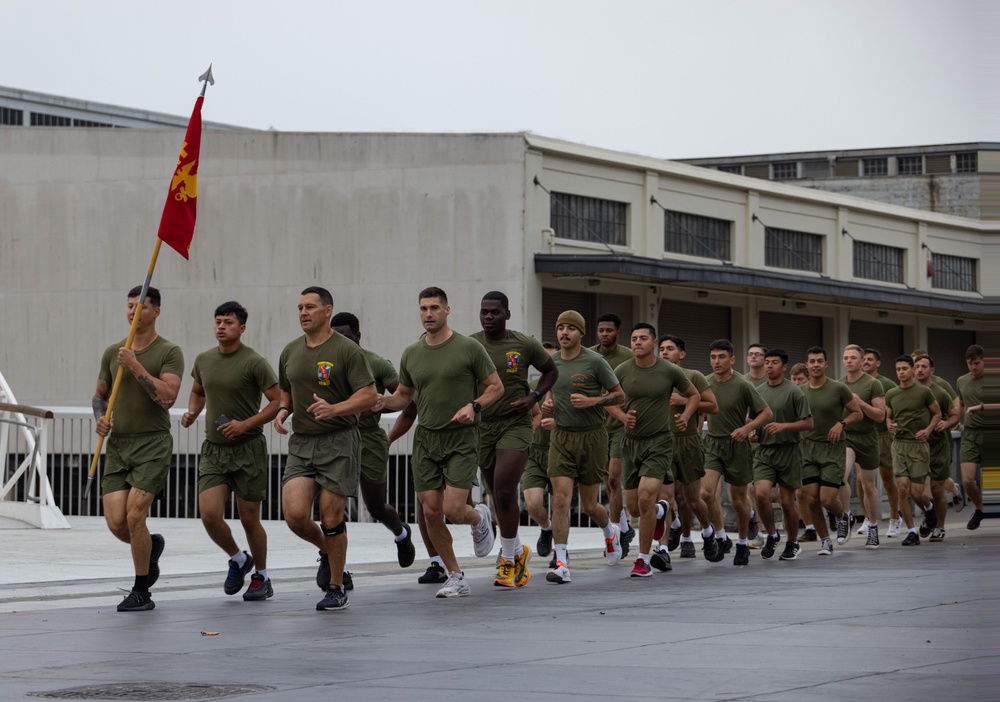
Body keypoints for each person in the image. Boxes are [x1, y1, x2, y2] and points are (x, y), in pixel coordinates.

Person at [379, 287, 503, 598]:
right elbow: (404, 398)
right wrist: (377, 403)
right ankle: (456, 576)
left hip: (461, 439)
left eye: (434, 307)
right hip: (426, 440)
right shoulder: (412, 352)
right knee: (431, 512)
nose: (428, 314)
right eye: (423, 308)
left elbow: (496, 387)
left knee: (454, 509)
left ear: (447, 310)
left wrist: (474, 406)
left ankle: (479, 518)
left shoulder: (469, 348)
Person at [274, 287, 377, 612]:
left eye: (310, 307)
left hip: (339, 440)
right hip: (302, 443)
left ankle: (335, 586)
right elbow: (286, 393)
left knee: (331, 515)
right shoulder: (290, 351)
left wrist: (336, 409)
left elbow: (369, 395)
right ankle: (329, 552)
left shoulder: (346, 350)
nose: (304, 313)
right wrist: (281, 412)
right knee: (294, 515)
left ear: (327, 310)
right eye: (300, 308)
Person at [181, 301, 280, 601]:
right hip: (214, 449)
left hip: (248, 449)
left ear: (242, 328)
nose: (221, 327)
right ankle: (238, 559)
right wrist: (192, 412)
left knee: (250, 519)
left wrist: (245, 424)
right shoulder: (204, 359)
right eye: (218, 322)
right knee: (209, 514)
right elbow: (198, 391)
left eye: (228, 322)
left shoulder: (254, 362)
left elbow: (276, 402)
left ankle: (261, 576)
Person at [93, 285, 183, 612]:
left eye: (140, 307)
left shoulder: (169, 352)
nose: (133, 312)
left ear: (156, 311)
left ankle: (141, 590)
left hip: (152, 444)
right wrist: (100, 418)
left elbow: (168, 397)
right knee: (118, 523)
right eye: (129, 306)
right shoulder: (112, 351)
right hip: (118, 446)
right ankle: (151, 549)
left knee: (135, 514)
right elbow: (99, 396)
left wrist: (135, 365)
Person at [470, 291, 558, 588]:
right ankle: (519, 550)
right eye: (484, 311)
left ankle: (508, 560)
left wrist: (534, 396)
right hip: (483, 426)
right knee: (496, 493)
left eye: (494, 312)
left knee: (506, 490)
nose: (488, 316)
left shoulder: (523, 343)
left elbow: (551, 370)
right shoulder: (470, 345)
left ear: (507, 314)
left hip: (515, 424)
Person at [606, 324, 699, 577]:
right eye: (634, 338)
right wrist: (622, 417)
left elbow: (694, 395)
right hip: (631, 443)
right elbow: (609, 400)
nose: (637, 342)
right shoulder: (622, 370)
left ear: (654, 342)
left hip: (659, 442)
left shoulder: (669, 370)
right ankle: (662, 510)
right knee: (635, 509)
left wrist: (686, 416)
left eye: (643, 338)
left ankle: (643, 559)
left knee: (647, 497)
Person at [541, 310, 625, 584]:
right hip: (562, 436)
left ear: (581, 333)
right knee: (561, 499)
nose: (564, 332)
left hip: (592, 437)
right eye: (560, 327)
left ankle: (610, 532)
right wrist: (548, 403)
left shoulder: (595, 361)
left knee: (589, 505)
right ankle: (562, 562)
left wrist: (592, 402)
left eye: (570, 328)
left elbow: (619, 395)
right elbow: (551, 392)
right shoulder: (550, 363)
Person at [330, 312, 416, 578]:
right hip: (335, 440)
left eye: (345, 337)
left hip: (369, 440)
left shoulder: (376, 363)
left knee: (376, 506)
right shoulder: (326, 363)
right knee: (332, 506)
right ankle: (336, 568)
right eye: (335, 338)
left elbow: (406, 403)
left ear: (357, 336)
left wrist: (387, 436)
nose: (340, 343)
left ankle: (401, 534)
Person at [702, 339, 773, 566]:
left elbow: (766, 413)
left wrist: (747, 428)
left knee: (738, 500)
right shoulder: (705, 383)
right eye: (713, 357)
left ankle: (742, 541)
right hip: (712, 443)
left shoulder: (742, 384)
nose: (716, 361)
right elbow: (697, 407)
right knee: (705, 493)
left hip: (737, 445)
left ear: (732, 359)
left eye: (721, 357)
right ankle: (721, 536)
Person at [657, 334, 720, 562]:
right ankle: (663, 550)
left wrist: (685, 403)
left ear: (681, 354)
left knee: (692, 499)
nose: (664, 352)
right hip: (661, 442)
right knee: (665, 499)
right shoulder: (655, 376)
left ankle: (707, 531)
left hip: (688, 442)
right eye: (662, 348)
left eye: (670, 349)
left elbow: (713, 406)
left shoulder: (694, 376)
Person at [798, 346, 862, 556]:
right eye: (812, 361)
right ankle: (825, 540)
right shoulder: (800, 391)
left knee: (826, 498)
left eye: (819, 361)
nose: (815, 365)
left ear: (826, 364)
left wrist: (841, 423)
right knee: (811, 499)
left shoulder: (838, 388)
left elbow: (857, 413)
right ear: (807, 365)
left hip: (833, 448)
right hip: (807, 449)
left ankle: (843, 517)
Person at [753, 349, 813, 560]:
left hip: (789, 451)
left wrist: (784, 426)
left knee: (787, 502)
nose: (769, 366)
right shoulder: (758, 391)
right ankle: (772, 534)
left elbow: (808, 423)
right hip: (764, 451)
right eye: (767, 362)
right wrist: (753, 432)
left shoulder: (795, 392)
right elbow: (754, 419)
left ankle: (793, 542)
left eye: (774, 362)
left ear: (784, 367)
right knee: (761, 494)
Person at [590, 313, 635, 555]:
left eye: (609, 330)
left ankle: (617, 533)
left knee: (616, 479)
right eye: (601, 330)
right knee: (607, 481)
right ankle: (625, 526)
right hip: (596, 427)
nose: (604, 334)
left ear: (618, 332)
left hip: (620, 427)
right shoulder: (588, 355)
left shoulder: (628, 356)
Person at [884, 355, 942, 546]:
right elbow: (889, 417)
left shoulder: (923, 392)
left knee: (917, 493)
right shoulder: (891, 394)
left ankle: (929, 508)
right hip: (899, 445)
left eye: (905, 369)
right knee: (902, 488)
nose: (901, 372)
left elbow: (937, 413)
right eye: (898, 369)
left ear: (912, 370)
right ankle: (911, 531)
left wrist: (928, 429)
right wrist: (890, 425)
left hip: (918, 446)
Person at [838, 344, 886, 548]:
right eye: (846, 358)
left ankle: (873, 528)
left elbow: (880, 415)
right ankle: (847, 516)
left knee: (868, 486)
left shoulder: (873, 384)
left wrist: (861, 403)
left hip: (867, 438)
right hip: (847, 437)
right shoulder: (839, 385)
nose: (849, 361)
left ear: (860, 361)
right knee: (840, 477)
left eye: (853, 358)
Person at [914, 356, 959, 541]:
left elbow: (955, 414)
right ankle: (930, 514)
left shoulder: (940, 392)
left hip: (939, 446)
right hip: (915, 447)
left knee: (937, 488)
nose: (919, 370)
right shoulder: (908, 392)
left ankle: (939, 527)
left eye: (923, 367)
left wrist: (947, 423)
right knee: (914, 490)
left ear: (931, 370)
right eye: (916, 366)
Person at [523, 342, 559, 566]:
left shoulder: (569, 386)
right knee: (533, 503)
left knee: (560, 505)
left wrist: (559, 421)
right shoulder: (531, 387)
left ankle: (560, 552)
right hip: (535, 452)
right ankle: (547, 528)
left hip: (560, 451)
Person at [862, 348, 902, 537]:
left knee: (887, 480)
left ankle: (895, 517)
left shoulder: (887, 384)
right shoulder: (856, 383)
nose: (866, 362)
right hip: (862, 436)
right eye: (864, 359)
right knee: (862, 481)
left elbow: (896, 408)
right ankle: (867, 518)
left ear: (877, 363)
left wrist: (895, 424)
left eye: (870, 359)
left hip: (884, 436)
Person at [957, 344, 990, 530]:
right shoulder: (962, 381)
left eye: (977, 363)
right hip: (970, 433)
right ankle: (979, 509)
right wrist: (955, 417)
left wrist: (981, 407)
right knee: (968, 480)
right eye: (970, 364)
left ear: (983, 361)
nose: (973, 367)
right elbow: (961, 402)